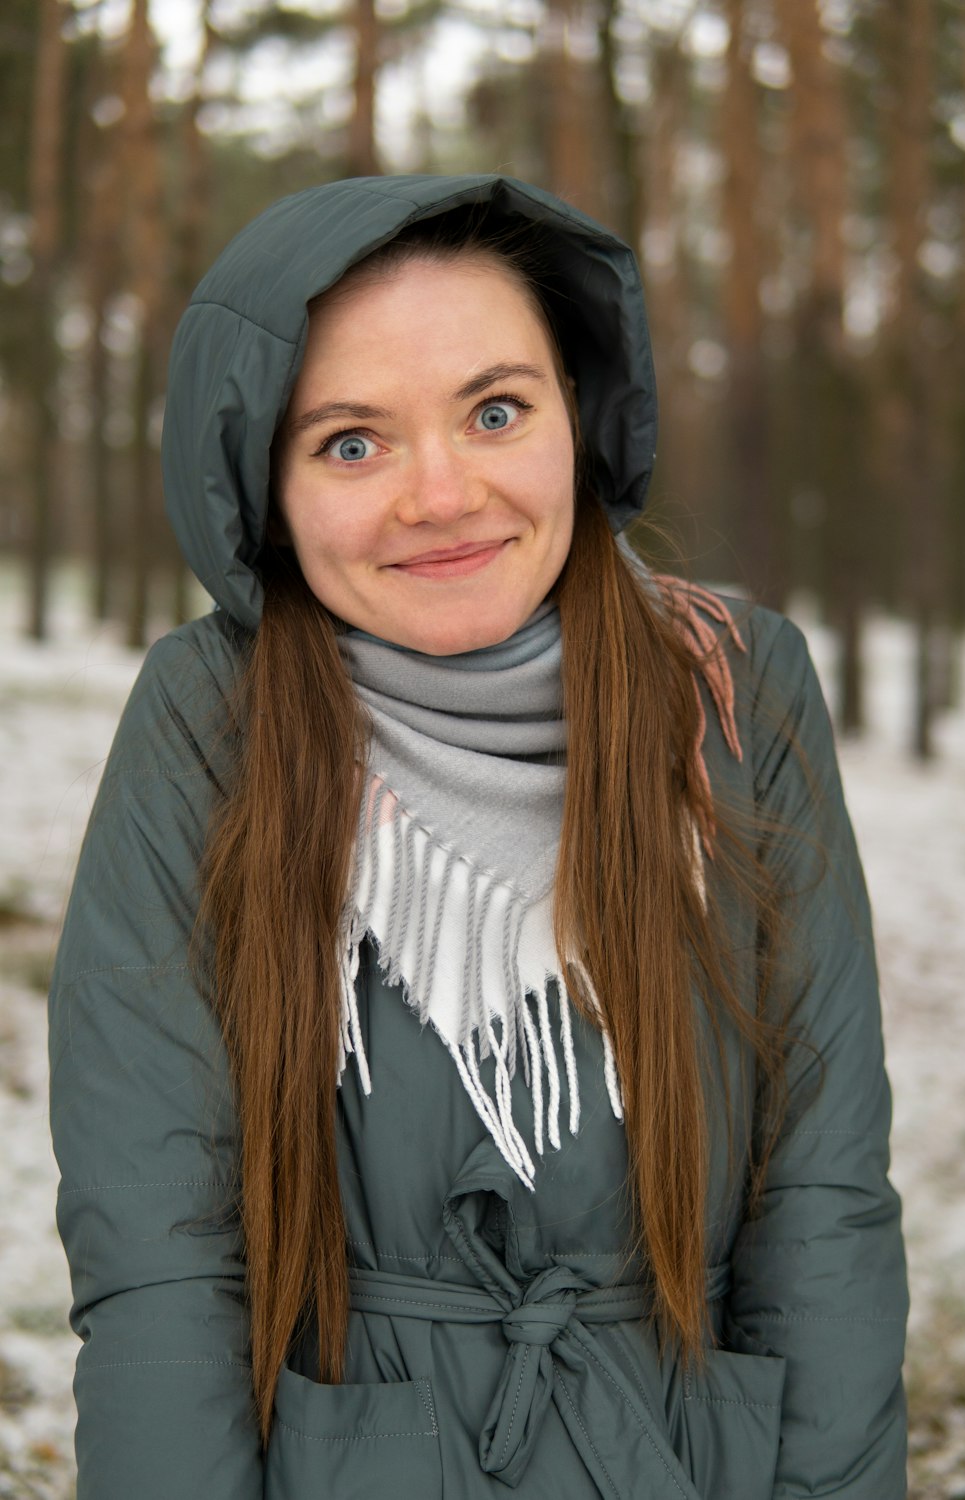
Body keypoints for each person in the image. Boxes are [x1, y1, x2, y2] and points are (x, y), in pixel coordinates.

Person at [48, 174, 908, 1499]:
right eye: (351, 442)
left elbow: (823, 1198)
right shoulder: (212, 720)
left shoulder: (732, 693)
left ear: (577, 415)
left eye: (495, 410)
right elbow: (162, 1254)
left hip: (686, 1459)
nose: (440, 494)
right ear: (260, 481)